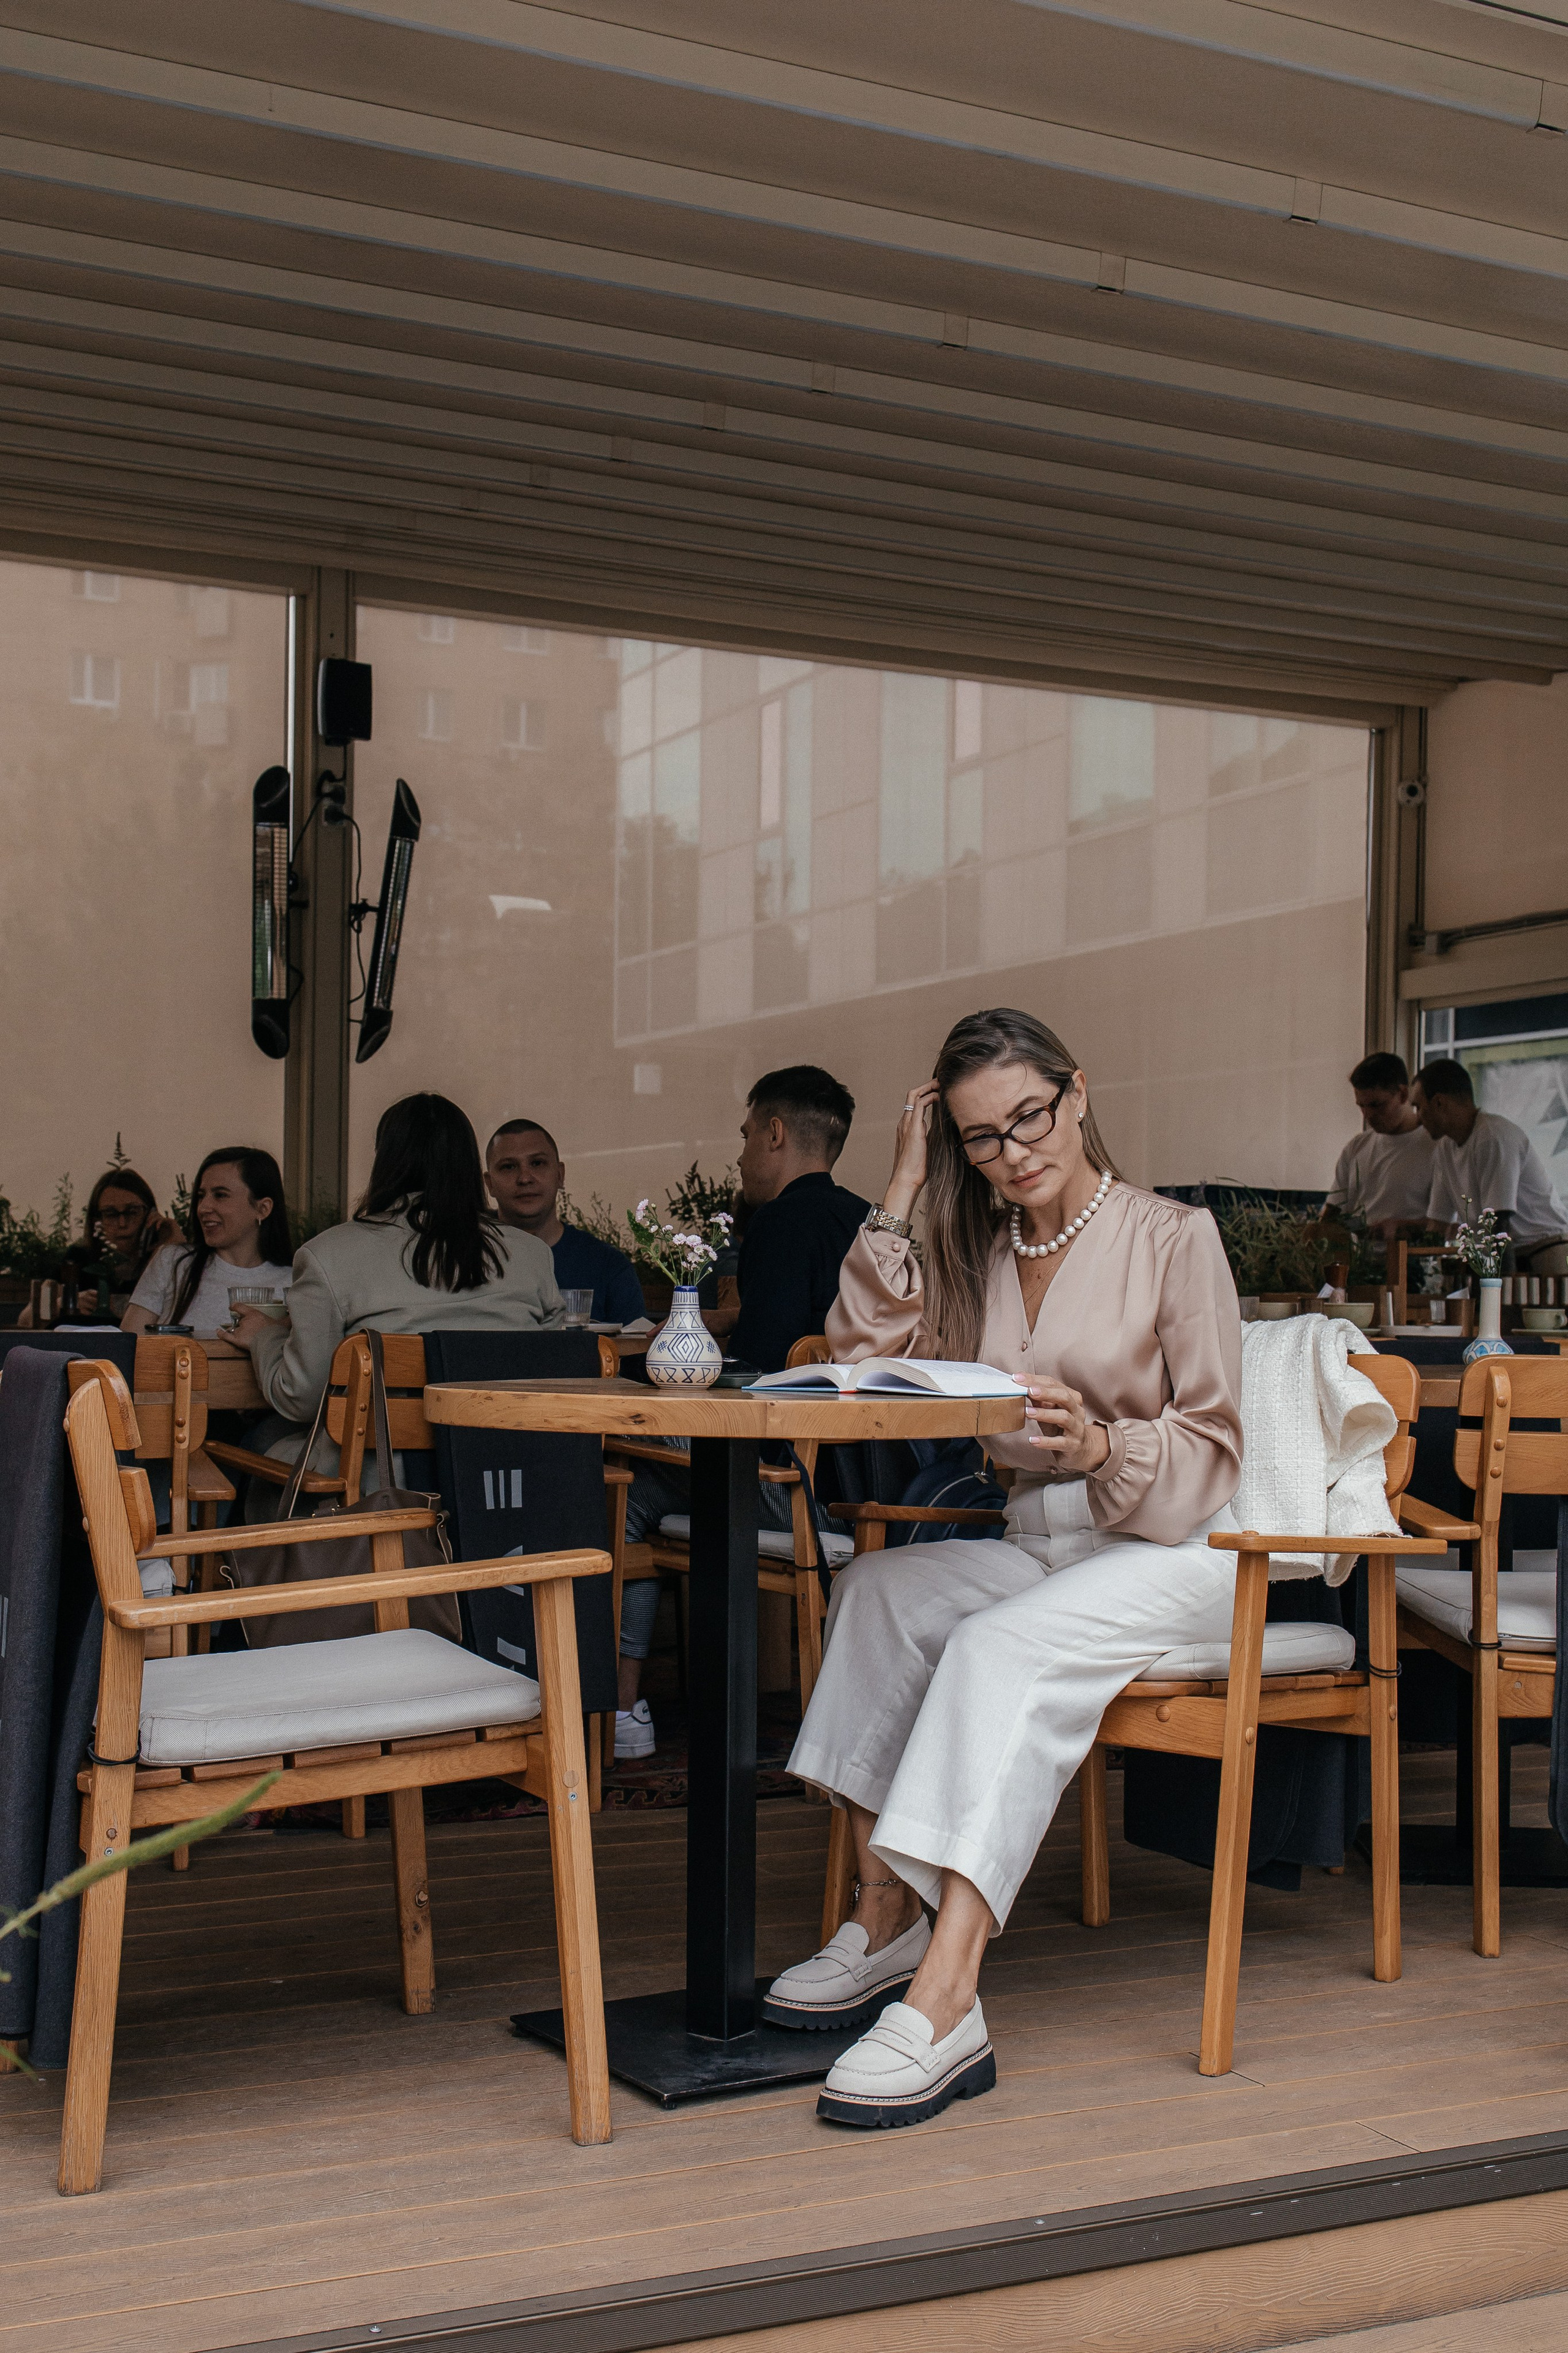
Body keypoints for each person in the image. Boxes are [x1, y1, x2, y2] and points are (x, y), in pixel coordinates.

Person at [763, 1008, 1242, 2130]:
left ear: (1076, 1095)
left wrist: (1106, 1446)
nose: (1015, 1149)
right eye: (982, 1137)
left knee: (994, 1645)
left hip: (1179, 1542)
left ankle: (948, 1998)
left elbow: (1219, 1444)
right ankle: (885, 1920)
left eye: (1029, 1116)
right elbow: (861, 1361)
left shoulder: (1177, 1237)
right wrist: (903, 1181)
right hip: (1042, 1536)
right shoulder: (977, 1253)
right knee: (879, 1591)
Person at [612, 1066, 869, 1763]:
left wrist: (651, 1366)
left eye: (748, 1133)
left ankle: (622, 1705)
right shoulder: (867, 1217)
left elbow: (756, 1378)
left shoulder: (782, 1221)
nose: (742, 1151)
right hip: (864, 1488)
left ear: (776, 1133)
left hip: (792, 1490)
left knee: (620, 1474)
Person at [228, 1095, 563, 1426]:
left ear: (385, 1161)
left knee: (259, 1440)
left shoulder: (327, 1255)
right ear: (468, 1165)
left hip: (381, 1474)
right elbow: (556, 1378)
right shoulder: (532, 1255)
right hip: (505, 1472)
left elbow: (302, 1398)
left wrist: (264, 1337)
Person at [485, 1119, 644, 1324]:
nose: (525, 1178)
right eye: (508, 1167)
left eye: (537, 1163)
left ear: (560, 1175)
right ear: (490, 1184)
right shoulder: (468, 1262)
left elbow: (637, 1351)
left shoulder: (608, 1267)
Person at [1414, 1058, 1568, 1269]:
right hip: (1502, 1251)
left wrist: (1496, 1290)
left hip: (1545, 1250)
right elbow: (1438, 1225)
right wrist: (1418, 1270)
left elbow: (1498, 1224)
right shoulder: (1445, 1148)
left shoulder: (1493, 1137)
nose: (1417, 1118)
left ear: (1439, 1103)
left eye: (1418, 1107)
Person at [123, 1149, 294, 1337]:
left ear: (263, 1209)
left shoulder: (295, 1282)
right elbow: (128, 1346)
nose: (203, 1208)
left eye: (220, 1195)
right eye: (201, 1196)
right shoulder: (174, 1263)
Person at [18, 1165, 178, 1326]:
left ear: (150, 1214)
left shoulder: (161, 1262)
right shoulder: (79, 1261)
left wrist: (172, 1240)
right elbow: (25, 1320)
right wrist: (66, 1303)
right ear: (97, 1220)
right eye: (111, 1214)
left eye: (132, 1211)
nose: (122, 1223)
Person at [1324, 1052, 1434, 1236]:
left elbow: (1448, 1223)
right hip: (1358, 1260)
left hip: (1415, 1260)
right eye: (1362, 1106)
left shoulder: (1436, 1147)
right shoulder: (1356, 1148)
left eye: (1376, 1105)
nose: (1368, 1115)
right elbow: (1332, 1212)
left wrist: (1397, 1229)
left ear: (1403, 1094)